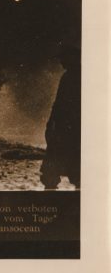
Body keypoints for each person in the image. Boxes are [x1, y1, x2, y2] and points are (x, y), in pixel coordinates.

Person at [40, 45, 81, 189]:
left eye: (64, 58)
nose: (61, 62)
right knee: (77, 170)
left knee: (52, 170)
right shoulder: (75, 75)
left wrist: (52, 123)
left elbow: (60, 105)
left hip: (66, 128)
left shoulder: (71, 77)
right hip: (72, 128)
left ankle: (51, 198)